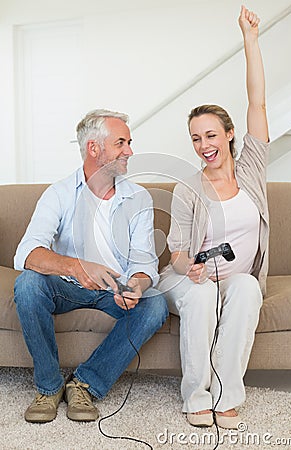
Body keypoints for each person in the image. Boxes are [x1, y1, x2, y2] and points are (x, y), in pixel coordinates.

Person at [14, 109, 168, 423]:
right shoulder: (58, 193)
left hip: (115, 288)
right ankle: (49, 386)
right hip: (67, 287)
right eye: (121, 143)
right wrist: (76, 267)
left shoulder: (138, 198)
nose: (130, 151)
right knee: (28, 284)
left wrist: (136, 285)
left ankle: (85, 383)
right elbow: (27, 253)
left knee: (156, 305)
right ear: (94, 149)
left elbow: (145, 263)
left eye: (129, 142)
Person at [158, 5, 269, 429]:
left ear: (229, 135)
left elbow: (256, 101)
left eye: (210, 135)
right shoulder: (188, 188)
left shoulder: (252, 170)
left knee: (246, 289)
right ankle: (196, 397)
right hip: (189, 279)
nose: (204, 145)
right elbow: (179, 254)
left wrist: (251, 39)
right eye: (195, 138)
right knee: (202, 294)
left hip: (233, 277)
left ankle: (227, 396)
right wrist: (193, 269)